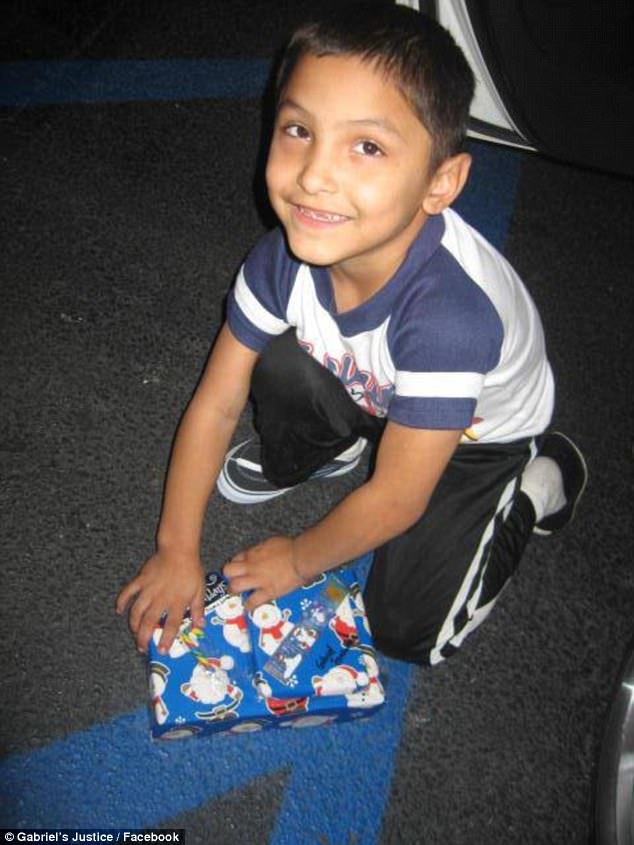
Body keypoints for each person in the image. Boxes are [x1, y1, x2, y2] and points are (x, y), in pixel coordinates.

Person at [116, 3, 587, 665]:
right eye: (298, 129)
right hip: (382, 387)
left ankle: (539, 483)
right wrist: (175, 548)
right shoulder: (283, 256)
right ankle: (333, 443)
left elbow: (395, 498)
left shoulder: (449, 319)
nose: (314, 175)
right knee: (277, 361)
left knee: (407, 628)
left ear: (441, 183)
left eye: (367, 146)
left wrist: (298, 559)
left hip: (478, 437)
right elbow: (217, 401)